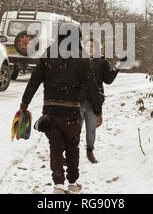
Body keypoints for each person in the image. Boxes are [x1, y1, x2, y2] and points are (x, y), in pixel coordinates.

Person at [19, 23, 104, 194]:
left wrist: (24, 104)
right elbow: (92, 87)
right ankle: (72, 183)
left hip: (51, 111)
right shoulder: (82, 59)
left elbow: (34, 81)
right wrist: (98, 110)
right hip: (72, 111)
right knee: (73, 147)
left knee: (55, 146)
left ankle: (58, 184)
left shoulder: (48, 55)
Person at [80, 38, 119, 163]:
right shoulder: (78, 61)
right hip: (78, 100)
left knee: (91, 128)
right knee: (74, 128)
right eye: (87, 46)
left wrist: (117, 67)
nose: (89, 49)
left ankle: (90, 151)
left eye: (92, 46)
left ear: (97, 49)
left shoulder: (102, 62)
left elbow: (108, 80)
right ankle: (71, 152)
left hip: (94, 101)